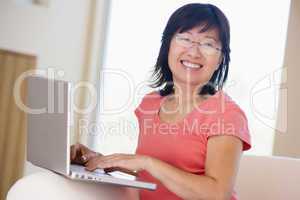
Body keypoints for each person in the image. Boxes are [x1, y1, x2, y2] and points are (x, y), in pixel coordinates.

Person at [71, 3, 251, 200]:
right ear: (168, 46)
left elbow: (217, 194)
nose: (194, 52)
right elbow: (152, 178)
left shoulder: (227, 114)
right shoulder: (150, 104)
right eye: (185, 39)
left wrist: (148, 162)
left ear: (220, 59)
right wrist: (103, 161)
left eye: (208, 44)